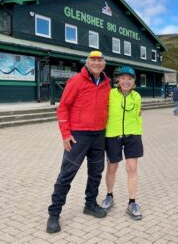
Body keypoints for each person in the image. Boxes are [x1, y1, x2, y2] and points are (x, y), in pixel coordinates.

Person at [46, 50, 111, 234]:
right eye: (93, 60)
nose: (97, 63)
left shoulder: (107, 83)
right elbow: (63, 108)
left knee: (96, 172)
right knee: (67, 174)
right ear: (87, 62)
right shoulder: (76, 81)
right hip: (79, 136)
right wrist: (65, 134)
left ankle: (90, 204)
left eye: (100, 60)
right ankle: (54, 214)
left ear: (104, 64)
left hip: (99, 135)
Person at [101, 66, 144, 220]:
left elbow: (138, 113)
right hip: (113, 134)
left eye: (130, 78)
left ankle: (132, 202)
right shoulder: (110, 94)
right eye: (123, 78)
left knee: (132, 168)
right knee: (112, 167)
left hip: (133, 135)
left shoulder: (137, 96)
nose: (126, 81)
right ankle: (109, 196)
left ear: (134, 81)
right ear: (118, 80)